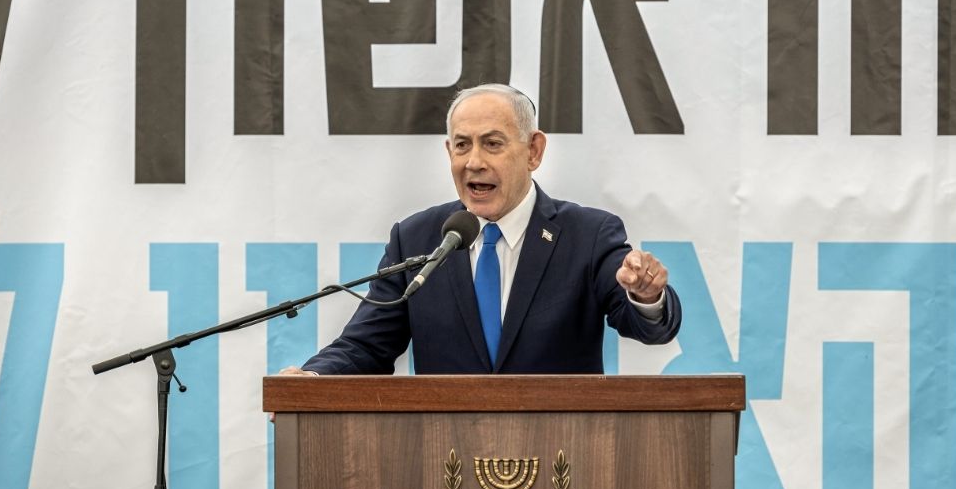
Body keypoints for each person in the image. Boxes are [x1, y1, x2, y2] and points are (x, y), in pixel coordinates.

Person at [284, 84, 680, 376]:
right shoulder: (417, 238)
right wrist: (313, 378)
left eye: (492, 144)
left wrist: (647, 295)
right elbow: (365, 346)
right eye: (462, 145)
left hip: (561, 455)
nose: (474, 162)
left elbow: (648, 328)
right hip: (446, 456)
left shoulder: (588, 235)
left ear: (533, 151)